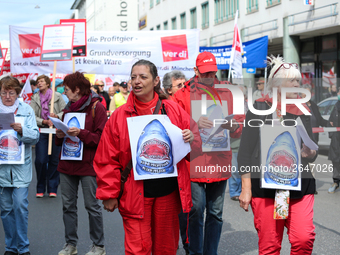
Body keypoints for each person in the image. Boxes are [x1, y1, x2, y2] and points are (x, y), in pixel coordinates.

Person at [94, 59, 201, 255]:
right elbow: (106, 158)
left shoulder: (173, 109)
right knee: (137, 250)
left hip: (168, 194)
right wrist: (109, 193)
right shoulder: (119, 116)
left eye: (143, 77)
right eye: (133, 77)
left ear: (156, 81)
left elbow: (196, 145)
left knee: (166, 249)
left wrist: (192, 138)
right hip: (135, 195)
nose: (137, 81)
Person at [238, 56, 317, 255]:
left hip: (298, 185)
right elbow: (245, 153)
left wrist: (309, 152)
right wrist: (246, 189)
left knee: (303, 238)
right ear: (276, 83)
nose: (297, 84)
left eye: (298, 80)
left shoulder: (303, 110)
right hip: (266, 188)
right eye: (291, 80)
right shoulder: (258, 109)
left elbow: (311, 151)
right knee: (270, 246)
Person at [173, 51, 244, 255]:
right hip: (193, 160)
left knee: (215, 212)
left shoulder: (228, 93)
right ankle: (194, 251)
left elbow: (240, 124)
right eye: (204, 73)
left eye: (212, 73)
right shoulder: (182, 94)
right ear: (195, 71)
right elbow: (176, 127)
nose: (209, 77)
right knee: (196, 210)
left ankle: (210, 252)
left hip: (219, 159)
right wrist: (193, 125)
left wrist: (233, 125)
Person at [55, 72, 107, 255]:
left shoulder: (96, 108)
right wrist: (59, 135)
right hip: (67, 164)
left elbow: (101, 139)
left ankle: (98, 246)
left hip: (87, 166)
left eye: (67, 89)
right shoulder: (68, 108)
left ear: (77, 90)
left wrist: (81, 133)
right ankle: (70, 244)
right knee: (68, 206)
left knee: (92, 206)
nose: (64, 92)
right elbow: (60, 141)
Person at [0, 76, 40, 255]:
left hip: (21, 167)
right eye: (3, 93)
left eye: (11, 93)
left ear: (17, 93)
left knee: (20, 206)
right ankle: (11, 247)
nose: (7, 96)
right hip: (2, 169)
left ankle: (23, 247)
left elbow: (35, 136)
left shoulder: (26, 109)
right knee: (6, 209)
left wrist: (22, 130)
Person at [30, 74, 66, 198]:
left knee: (54, 160)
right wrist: (43, 121)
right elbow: (32, 115)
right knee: (40, 160)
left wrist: (56, 117)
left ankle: (52, 187)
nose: (39, 83)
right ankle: (40, 186)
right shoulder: (35, 98)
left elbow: (64, 111)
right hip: (42, 131)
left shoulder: (57, 96)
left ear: (47, 83)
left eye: (41, 81)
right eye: (38, 82)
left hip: (55, 131)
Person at [327, 87, 340, 193]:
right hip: (336, 140)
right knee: (335, 162)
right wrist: (332, 135)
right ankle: (336, 182)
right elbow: (330, 122)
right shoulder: (336, 106)